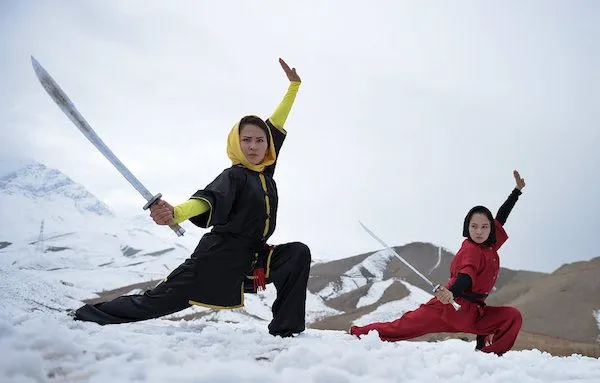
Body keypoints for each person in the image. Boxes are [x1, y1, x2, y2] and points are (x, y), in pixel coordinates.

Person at [73, 58, 311, 338]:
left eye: (260, 140)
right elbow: (208, 199)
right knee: (156, 301)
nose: (254, 146)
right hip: (217, 258)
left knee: (297, 253)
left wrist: (294, 87)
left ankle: (287, 330)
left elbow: (276, 123)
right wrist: (176, 213)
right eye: (246, 140)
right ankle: (89, 315)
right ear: (236, 142)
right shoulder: (233, 175)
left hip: (253, 258)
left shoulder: (264, 170)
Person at [350, 170, 526, 355]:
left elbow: (501, 218)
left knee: (511, 317)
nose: (479, 231)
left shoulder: (489, 245)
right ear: (467, 227)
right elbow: (466, 274)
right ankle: (359, 333)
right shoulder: (471, 249)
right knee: (401, 327)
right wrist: (451, 293)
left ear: (490, 229)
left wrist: (516, 191)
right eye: (474, 226)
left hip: (473, 314)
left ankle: (488, 356)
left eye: (484, 227)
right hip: (448, 306)